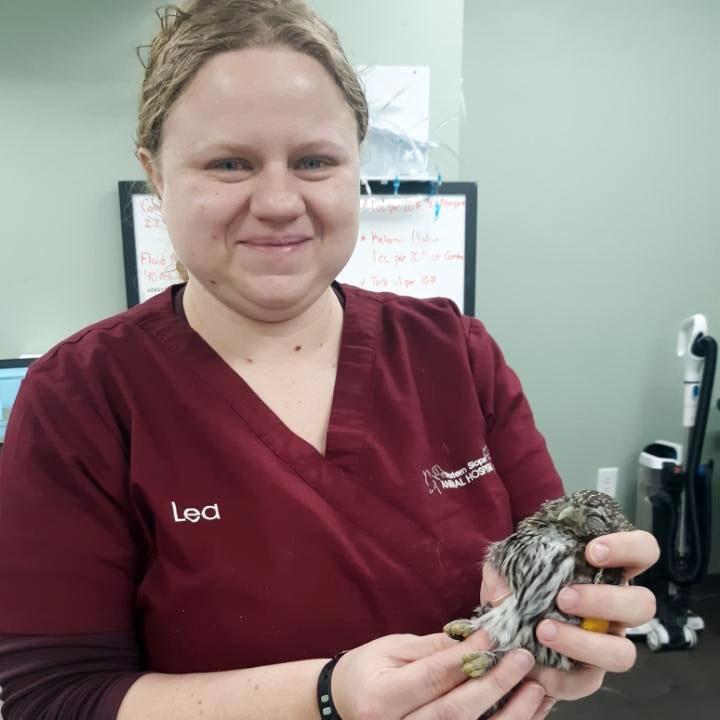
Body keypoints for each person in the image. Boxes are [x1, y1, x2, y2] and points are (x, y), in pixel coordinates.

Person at [0, 1, 658, 718]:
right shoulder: (81, 397)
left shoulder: (455, 355)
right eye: (229, 163)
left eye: (315, 161)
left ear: (358, 167)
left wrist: (575, 638)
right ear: (155, 173)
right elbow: (51, 698)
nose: (279, 201)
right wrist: (326, 697)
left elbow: (554, 576)